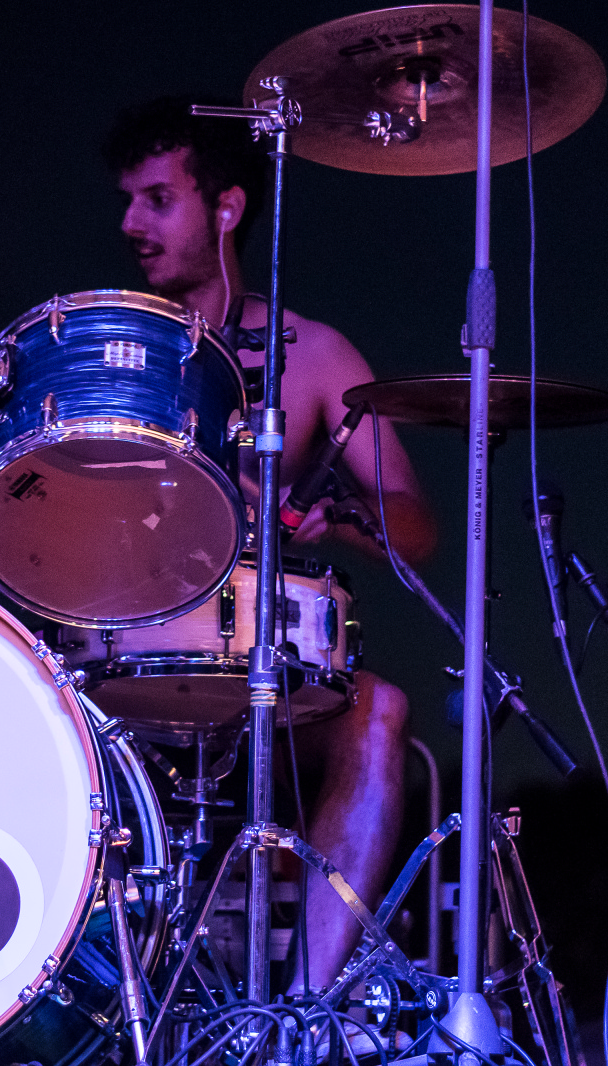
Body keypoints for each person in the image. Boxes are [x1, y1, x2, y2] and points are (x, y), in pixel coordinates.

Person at [102, 97, 437, 994]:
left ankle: (303, 1010)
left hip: (267, 668)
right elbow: (1, 486)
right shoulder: (106, 351)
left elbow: (416, 523)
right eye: (127, 200)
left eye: (157, 199)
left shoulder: (313, 352)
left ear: (227, 208)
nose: (130, 223)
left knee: (380, 709)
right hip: (118, 659)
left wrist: (345, 519)